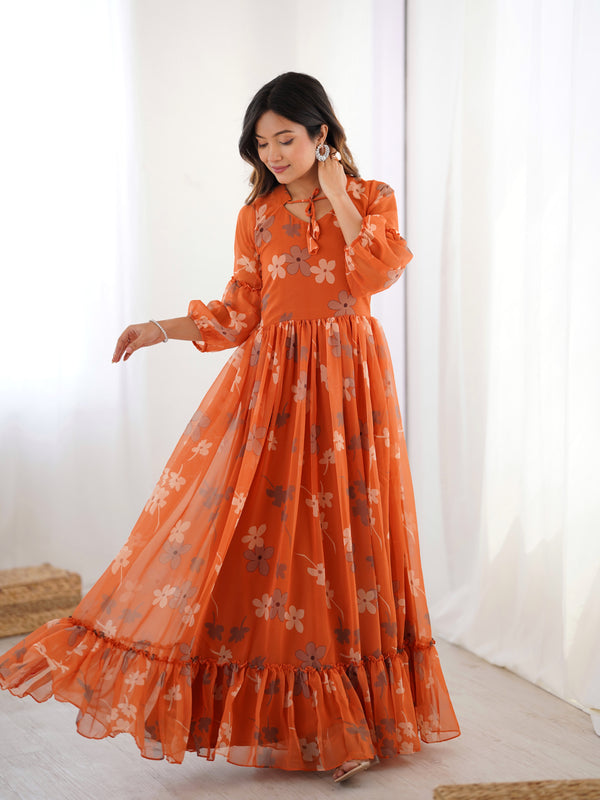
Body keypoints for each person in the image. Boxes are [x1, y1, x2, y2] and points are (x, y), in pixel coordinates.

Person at [0, 72, 460, 784]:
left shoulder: (372, 199)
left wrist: (337, 193)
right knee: (275, 543)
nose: (273, 153)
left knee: (346, 535)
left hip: (348, 387)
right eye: (262, 142)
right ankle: (311, 725)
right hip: (274, 389)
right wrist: (159, 327)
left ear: (321, 135)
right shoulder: (258, 215)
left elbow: (375, 273)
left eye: (286, 138)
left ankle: (354, 722)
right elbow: (241, 310)